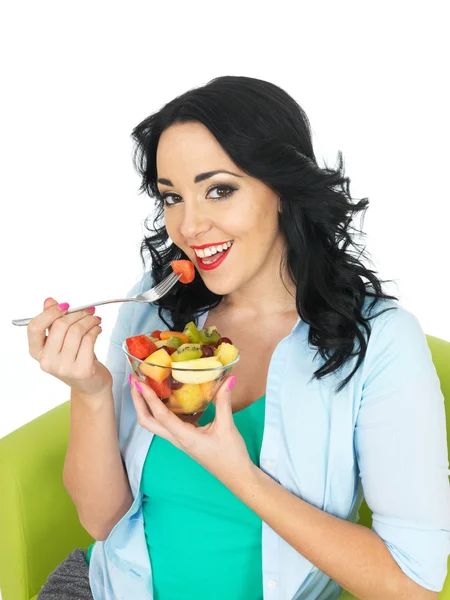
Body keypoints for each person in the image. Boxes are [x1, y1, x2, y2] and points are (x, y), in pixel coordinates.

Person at [28, 76, 449, 600]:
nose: (189, 225)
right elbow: (104, 522)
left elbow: (412, 587)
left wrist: (236, 471)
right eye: (173, 197)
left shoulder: (380, 342)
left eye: (219, 190)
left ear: (282, 188)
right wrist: (90, 390)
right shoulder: (154, 312)